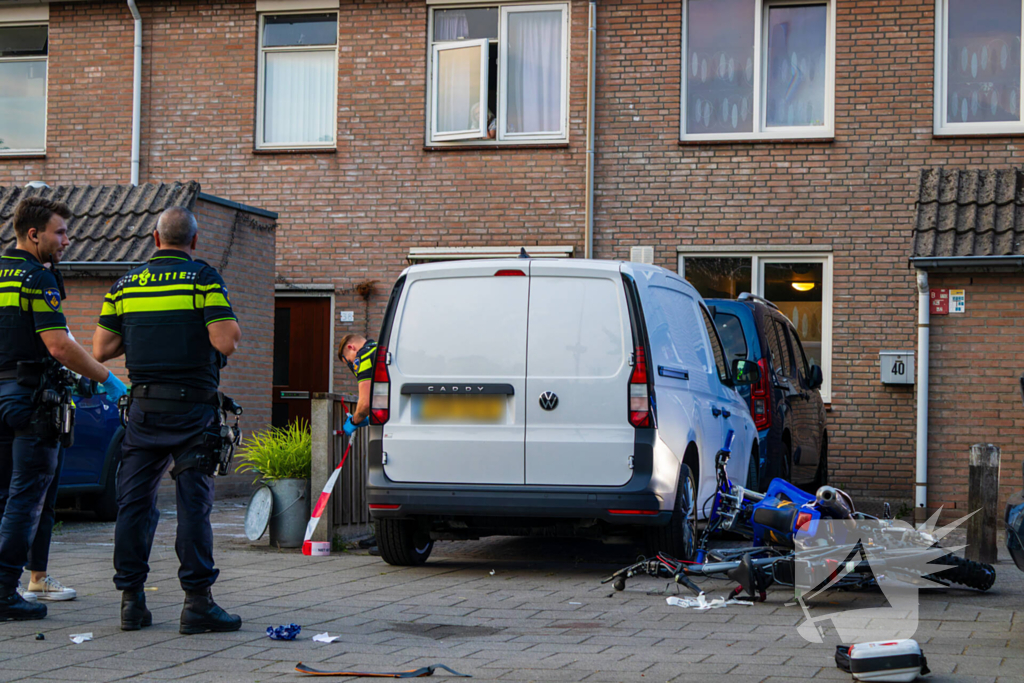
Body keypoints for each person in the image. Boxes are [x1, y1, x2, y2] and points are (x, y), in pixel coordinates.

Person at [92, 207, 242, 634]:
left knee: (133, 506)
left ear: (155, 240)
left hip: (143, 411)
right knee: (193, 504)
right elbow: (226, 342)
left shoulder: (125, 284)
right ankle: (197, 604)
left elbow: (101, 349)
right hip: (193, 412)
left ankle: (131, 603)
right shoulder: (204, 278)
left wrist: (143, 333)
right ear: (193, 242)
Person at [0, 197, 127, 621]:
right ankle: (4, 591)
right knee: (27, 497)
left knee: (3, 495)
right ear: (33, 234)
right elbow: (59, 345)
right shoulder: (38, 279)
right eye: (60, 233)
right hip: (30, 399)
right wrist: (108, 380)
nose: (67, 241)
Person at [337, 333, 375, 436]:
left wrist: (354, 421)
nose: (353, 364)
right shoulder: (379, 348)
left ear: (351, 347)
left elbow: (365, 404)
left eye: (350, 361)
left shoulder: (363, 356)